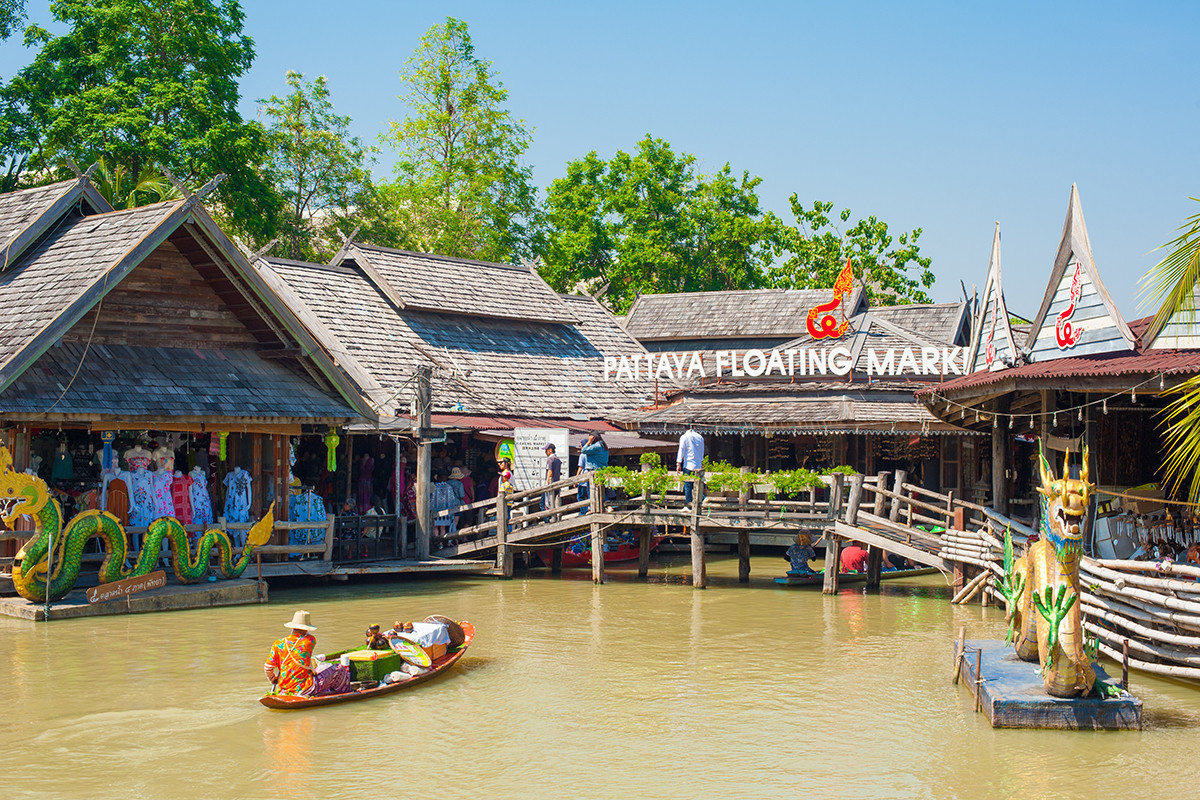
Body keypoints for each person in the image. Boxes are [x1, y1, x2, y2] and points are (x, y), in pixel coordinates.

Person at [264, 610, 319, 696]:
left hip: (284, 687)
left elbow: (267, 668)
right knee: (338, 669)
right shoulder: (310, 640)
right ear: (307, 629)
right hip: (304, 687)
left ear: (292, 627)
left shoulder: (278, 643)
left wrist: (273, 679)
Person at [676, 426, 704, 506]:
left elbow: (681, 450)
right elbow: (702, 451)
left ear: (684, 427)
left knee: (688, 486)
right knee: (697, 484)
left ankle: (688, 505)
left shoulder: (684, 437)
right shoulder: (700, 437)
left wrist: (678, 463)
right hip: (698, 464)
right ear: (694, 426)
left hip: (688, 464)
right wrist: (701, 461)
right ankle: (703, 498)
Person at [542, 443, 562, 512]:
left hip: (551, 483)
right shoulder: (557, 459)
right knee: (553, 502)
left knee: (545, 503)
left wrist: (547, 482)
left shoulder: (550, 459)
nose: (545, 452)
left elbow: (550, 471)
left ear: (550, 450)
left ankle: (547, 520)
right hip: (556, 483)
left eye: (546, 450)